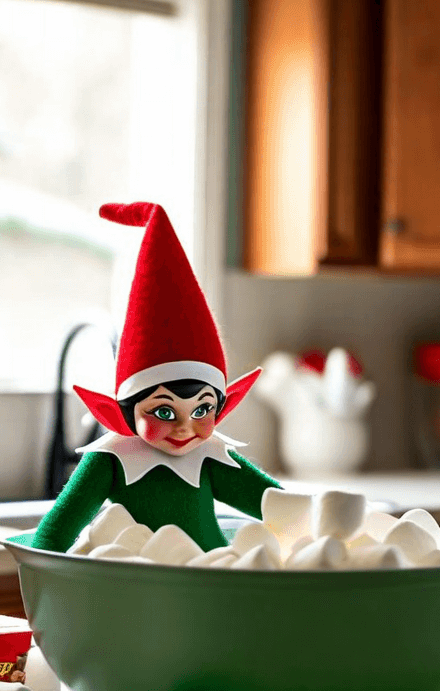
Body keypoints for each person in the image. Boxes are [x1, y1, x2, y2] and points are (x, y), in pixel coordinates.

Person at [32, 202, 279, 554]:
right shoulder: (111, 458)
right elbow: (56, 532)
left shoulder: (211, 454)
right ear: (128, 409)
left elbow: (278, 508)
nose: (183, 428)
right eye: (163, 411)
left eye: (201, 410)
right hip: (135, 588)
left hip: (215, 580)